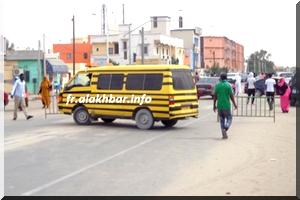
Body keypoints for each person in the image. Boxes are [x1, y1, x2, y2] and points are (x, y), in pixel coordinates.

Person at [213, 73, 238, 139]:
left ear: (220, 78)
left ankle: (224, 134)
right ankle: (226, 128)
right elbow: (231, 96)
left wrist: (214, 106)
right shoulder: (228, 85)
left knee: (222, 120)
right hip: (226, 106)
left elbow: (215, 96)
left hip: (219, 106)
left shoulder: (217, 85)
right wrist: (235, 104)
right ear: (226, 78)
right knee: (229, 118)